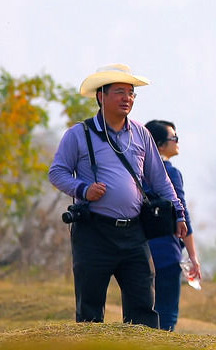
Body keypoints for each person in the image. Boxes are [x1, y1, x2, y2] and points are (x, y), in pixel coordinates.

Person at [47, 64, 187, 327]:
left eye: (132, 93)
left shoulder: (141, 134)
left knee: (143, 309)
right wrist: (83, 190)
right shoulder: (79, 134)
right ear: (101, 96)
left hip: (134, 233)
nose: (127, 98)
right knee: (89, 311)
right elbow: (57, 172)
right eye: (120, 92)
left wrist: (178, 214)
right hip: (93, 232)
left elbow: (160, 179)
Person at [143, 119, 200, 331]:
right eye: (173, 138)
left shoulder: (136, 173)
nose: (177, 142)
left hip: (140, 250)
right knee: (167, 311)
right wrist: (193, 256)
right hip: (166, 250)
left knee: (143, 309)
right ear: (159, 144)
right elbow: (181, 213)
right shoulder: (171, 173)